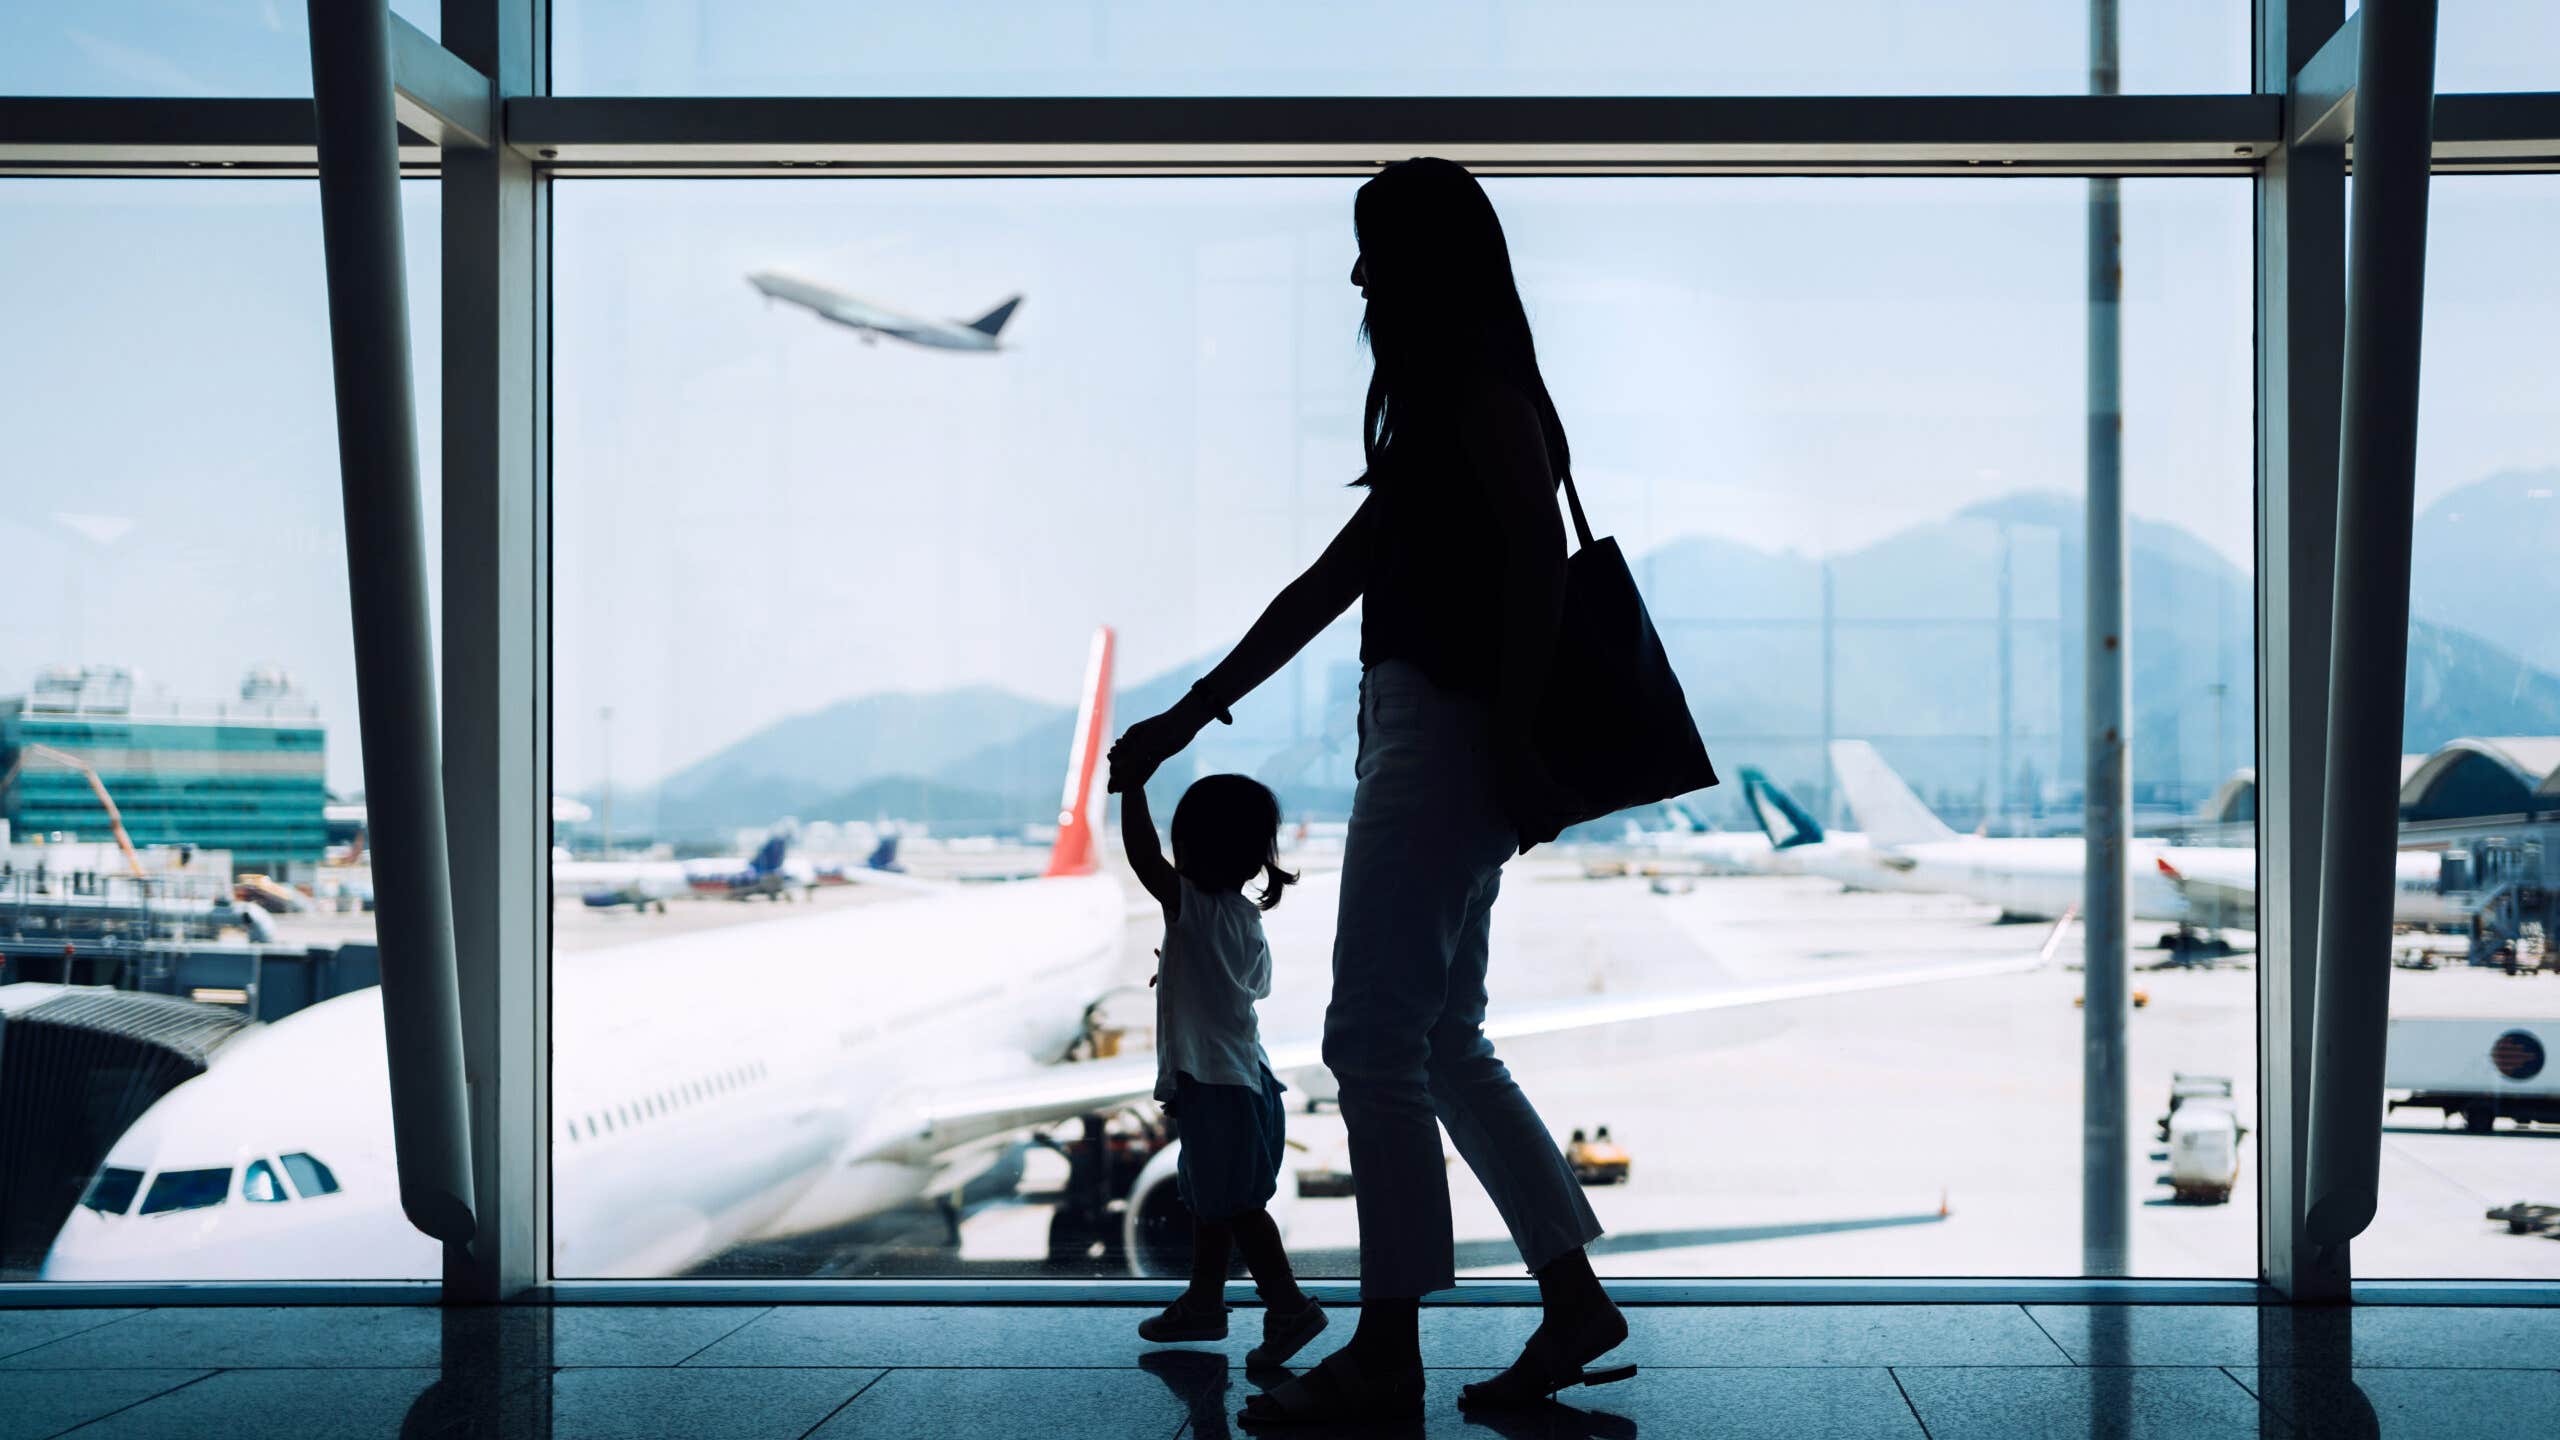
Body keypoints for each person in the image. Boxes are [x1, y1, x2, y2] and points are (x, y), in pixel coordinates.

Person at [1108, 156, 1629, 1426]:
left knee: (1372, 1045)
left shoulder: (1475, 406)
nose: (1355, 275)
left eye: (1372, 249)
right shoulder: (1458, 411)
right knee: (1443, 1041)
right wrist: (1188, 713)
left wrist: (1505, 747)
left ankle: (1387, 1346)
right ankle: (1567, 1299)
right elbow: (1322, 590)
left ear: (1426, 266)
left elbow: (1530, 584)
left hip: (1444, 741)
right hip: (1447, 742)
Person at [1117, 767, 1329, 1370]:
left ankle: (1290, 1307)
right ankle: (1204, 1303)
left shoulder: (1187, 905)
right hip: (1250, 1079)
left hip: (1217, 1087)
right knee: (1215, 1199)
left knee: (1235, 1206)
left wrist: (1132, 785)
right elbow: (1250, 989)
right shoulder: (1244, 917)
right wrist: (1183, 968)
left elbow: (1140, 857)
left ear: (1190, 847)